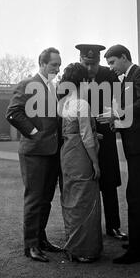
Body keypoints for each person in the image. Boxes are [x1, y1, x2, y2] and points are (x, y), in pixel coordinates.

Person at [99, 44, 140, 264]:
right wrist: (115, 122)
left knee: (135, 194)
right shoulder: (129, 78)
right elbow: (133, 113)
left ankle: (138, 250)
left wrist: (116, 113)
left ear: (124, 57)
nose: (110, 68)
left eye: (112, 62)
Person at [6, 48, 62, 263]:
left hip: (52, 152)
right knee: (35, 199)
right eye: (53, 65)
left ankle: (41, 239)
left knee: (46, 199)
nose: (57, 69)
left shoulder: (53, 87)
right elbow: (13, 113)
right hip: (34, 152)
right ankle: (31, 246)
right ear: (42, 63)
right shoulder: (27, 84)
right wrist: (34, 133)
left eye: (58, 65)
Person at [75, 44, 127, 240]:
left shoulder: (108, 73)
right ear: (81, 61)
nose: (90, 68)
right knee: (85, 184)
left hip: (105, 134)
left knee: (109, 182)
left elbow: (122, 100)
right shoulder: (72, 73)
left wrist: (116, 117)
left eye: (94, 64)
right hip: (83, 135)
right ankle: (87, 228)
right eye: (86, 63)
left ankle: (114, 226)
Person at [59, 63, 102, 263]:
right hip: (81, 155)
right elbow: (86, 137)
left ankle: (73, 246)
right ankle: (84, 249)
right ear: (84, 81)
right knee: (84, 198)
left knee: (71, 198)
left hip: (67, 153)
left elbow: (71, 131)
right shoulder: (82, 103)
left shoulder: (63, 103)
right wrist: (95, 163)